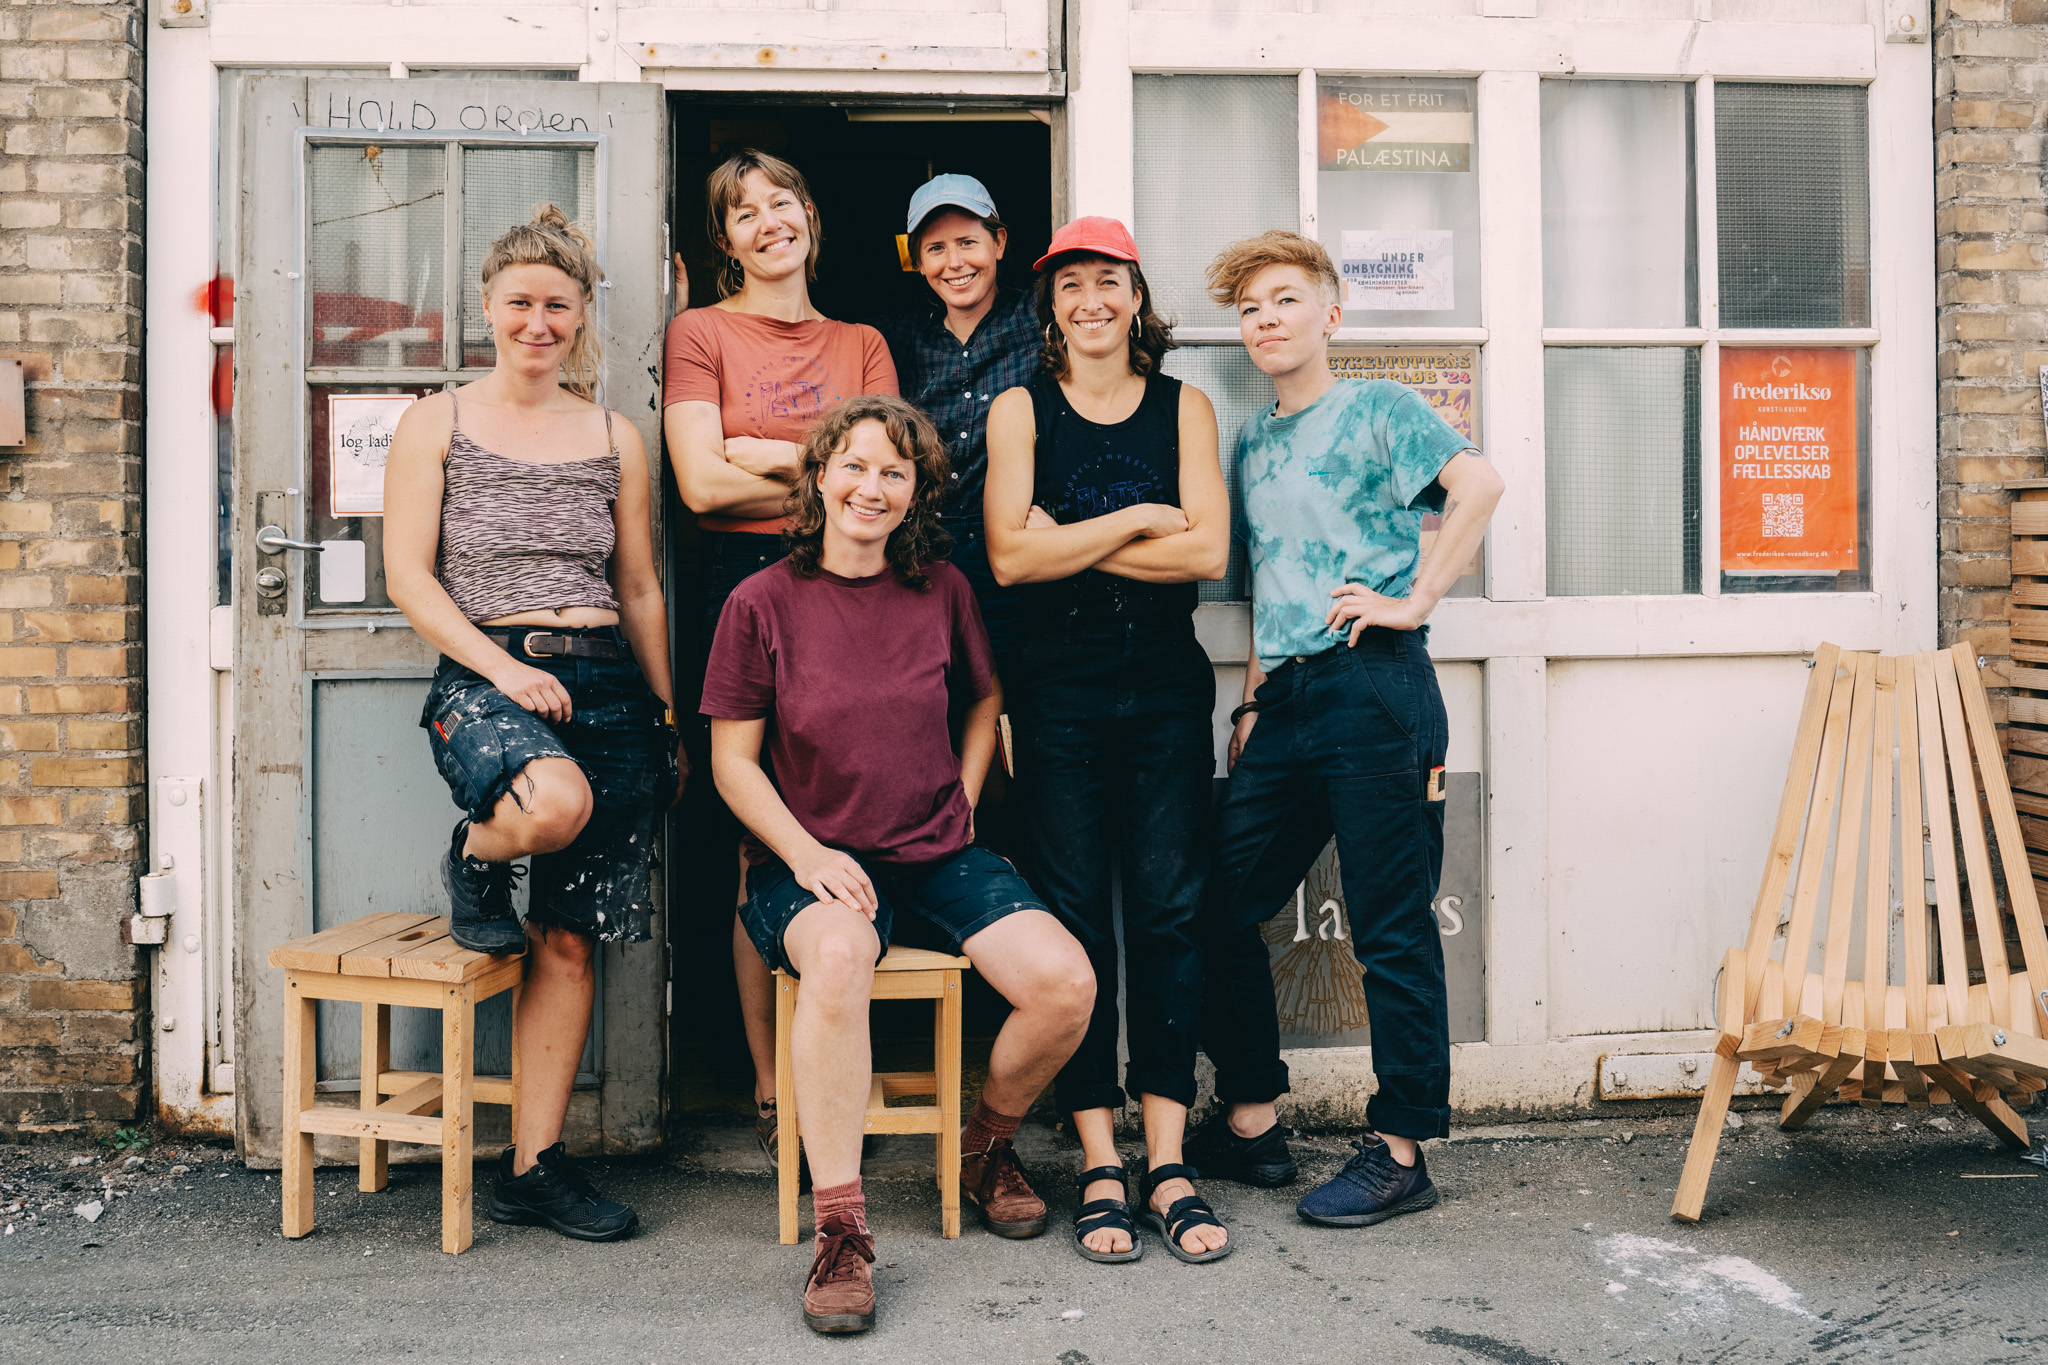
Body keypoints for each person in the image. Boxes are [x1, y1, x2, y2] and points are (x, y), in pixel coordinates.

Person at [704, 394, 1094, 1333]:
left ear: (915, 493)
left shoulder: (943, 588)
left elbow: (983, 695)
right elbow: (731, 761)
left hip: (937, 849)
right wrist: (805, 852)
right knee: (839, 958)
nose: (870, 487)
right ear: (820, 477)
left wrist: (962, 792)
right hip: (814, 862)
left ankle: (986, 1141)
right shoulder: (760, 601)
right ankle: (841, 1231)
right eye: (854, 466)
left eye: (894, 472)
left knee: (1065, 985)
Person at [1187, 230, 1503, 1228]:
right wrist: (1248, 703)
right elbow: (1268, 586)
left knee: (1389, 924)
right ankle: (1248, 1117)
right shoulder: (1252, 443)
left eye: (1283, 300)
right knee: (1209, 902)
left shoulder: (1377, 408)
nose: (1265, 320)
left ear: (1330, 314)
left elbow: (1479, 485)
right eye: (1248, 309)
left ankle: (1401, 1147)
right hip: (1284, 702)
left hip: (1374, 688)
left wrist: (1412, 600)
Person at [385, 205, 683, 1242]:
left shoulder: (613, 435)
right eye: (519, 303)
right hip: (484, 678)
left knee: (565, 944)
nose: (537, 321)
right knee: (550, 805)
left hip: (602, 678)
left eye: (556, 305)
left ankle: (533, 1166)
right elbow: (410, 578)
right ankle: (475, 852)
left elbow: (638, 585)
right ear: (486, 308)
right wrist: (501, 669)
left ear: (581, 313)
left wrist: (665, 709)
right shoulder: (440, 422)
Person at [984, 217, 1234, 1265]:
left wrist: (1075, 538)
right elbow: (1005, 556)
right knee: (1078, 919)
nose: (1090, 299)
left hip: (1167, 696)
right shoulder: (1017, 409)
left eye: (1108, 282)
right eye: (1070, 284)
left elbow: (1208, 550)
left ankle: (1165, 1161)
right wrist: (1146, 520)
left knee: (1171, 913)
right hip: (1058, 701)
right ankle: (1096, 1157)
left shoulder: (1185, 406)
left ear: (1137, 297)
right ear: (1050, 306)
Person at [663, 150, 898, 1167]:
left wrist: (760, 451)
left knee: (863, 832)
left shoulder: (862, 342)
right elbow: (701, 490)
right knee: (762, 844)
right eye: (744, 213)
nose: (769, 222)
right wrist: (826, 473)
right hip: (747, 595)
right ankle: (772, 1083)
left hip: (860, 597)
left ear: (810, 215)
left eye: (783, 202)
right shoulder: (700, 333)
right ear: (724, 241)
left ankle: (849, 1062)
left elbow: (892, 481)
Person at [873, 174, 1040, 671]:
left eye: (968, 242)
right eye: (936, 249)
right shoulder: (895, 336)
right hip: (917, 552)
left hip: (1014, 549)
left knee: (1015, 696)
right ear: (917, 261)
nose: (955, 263)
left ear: (1000, 241)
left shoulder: (1040, 316)